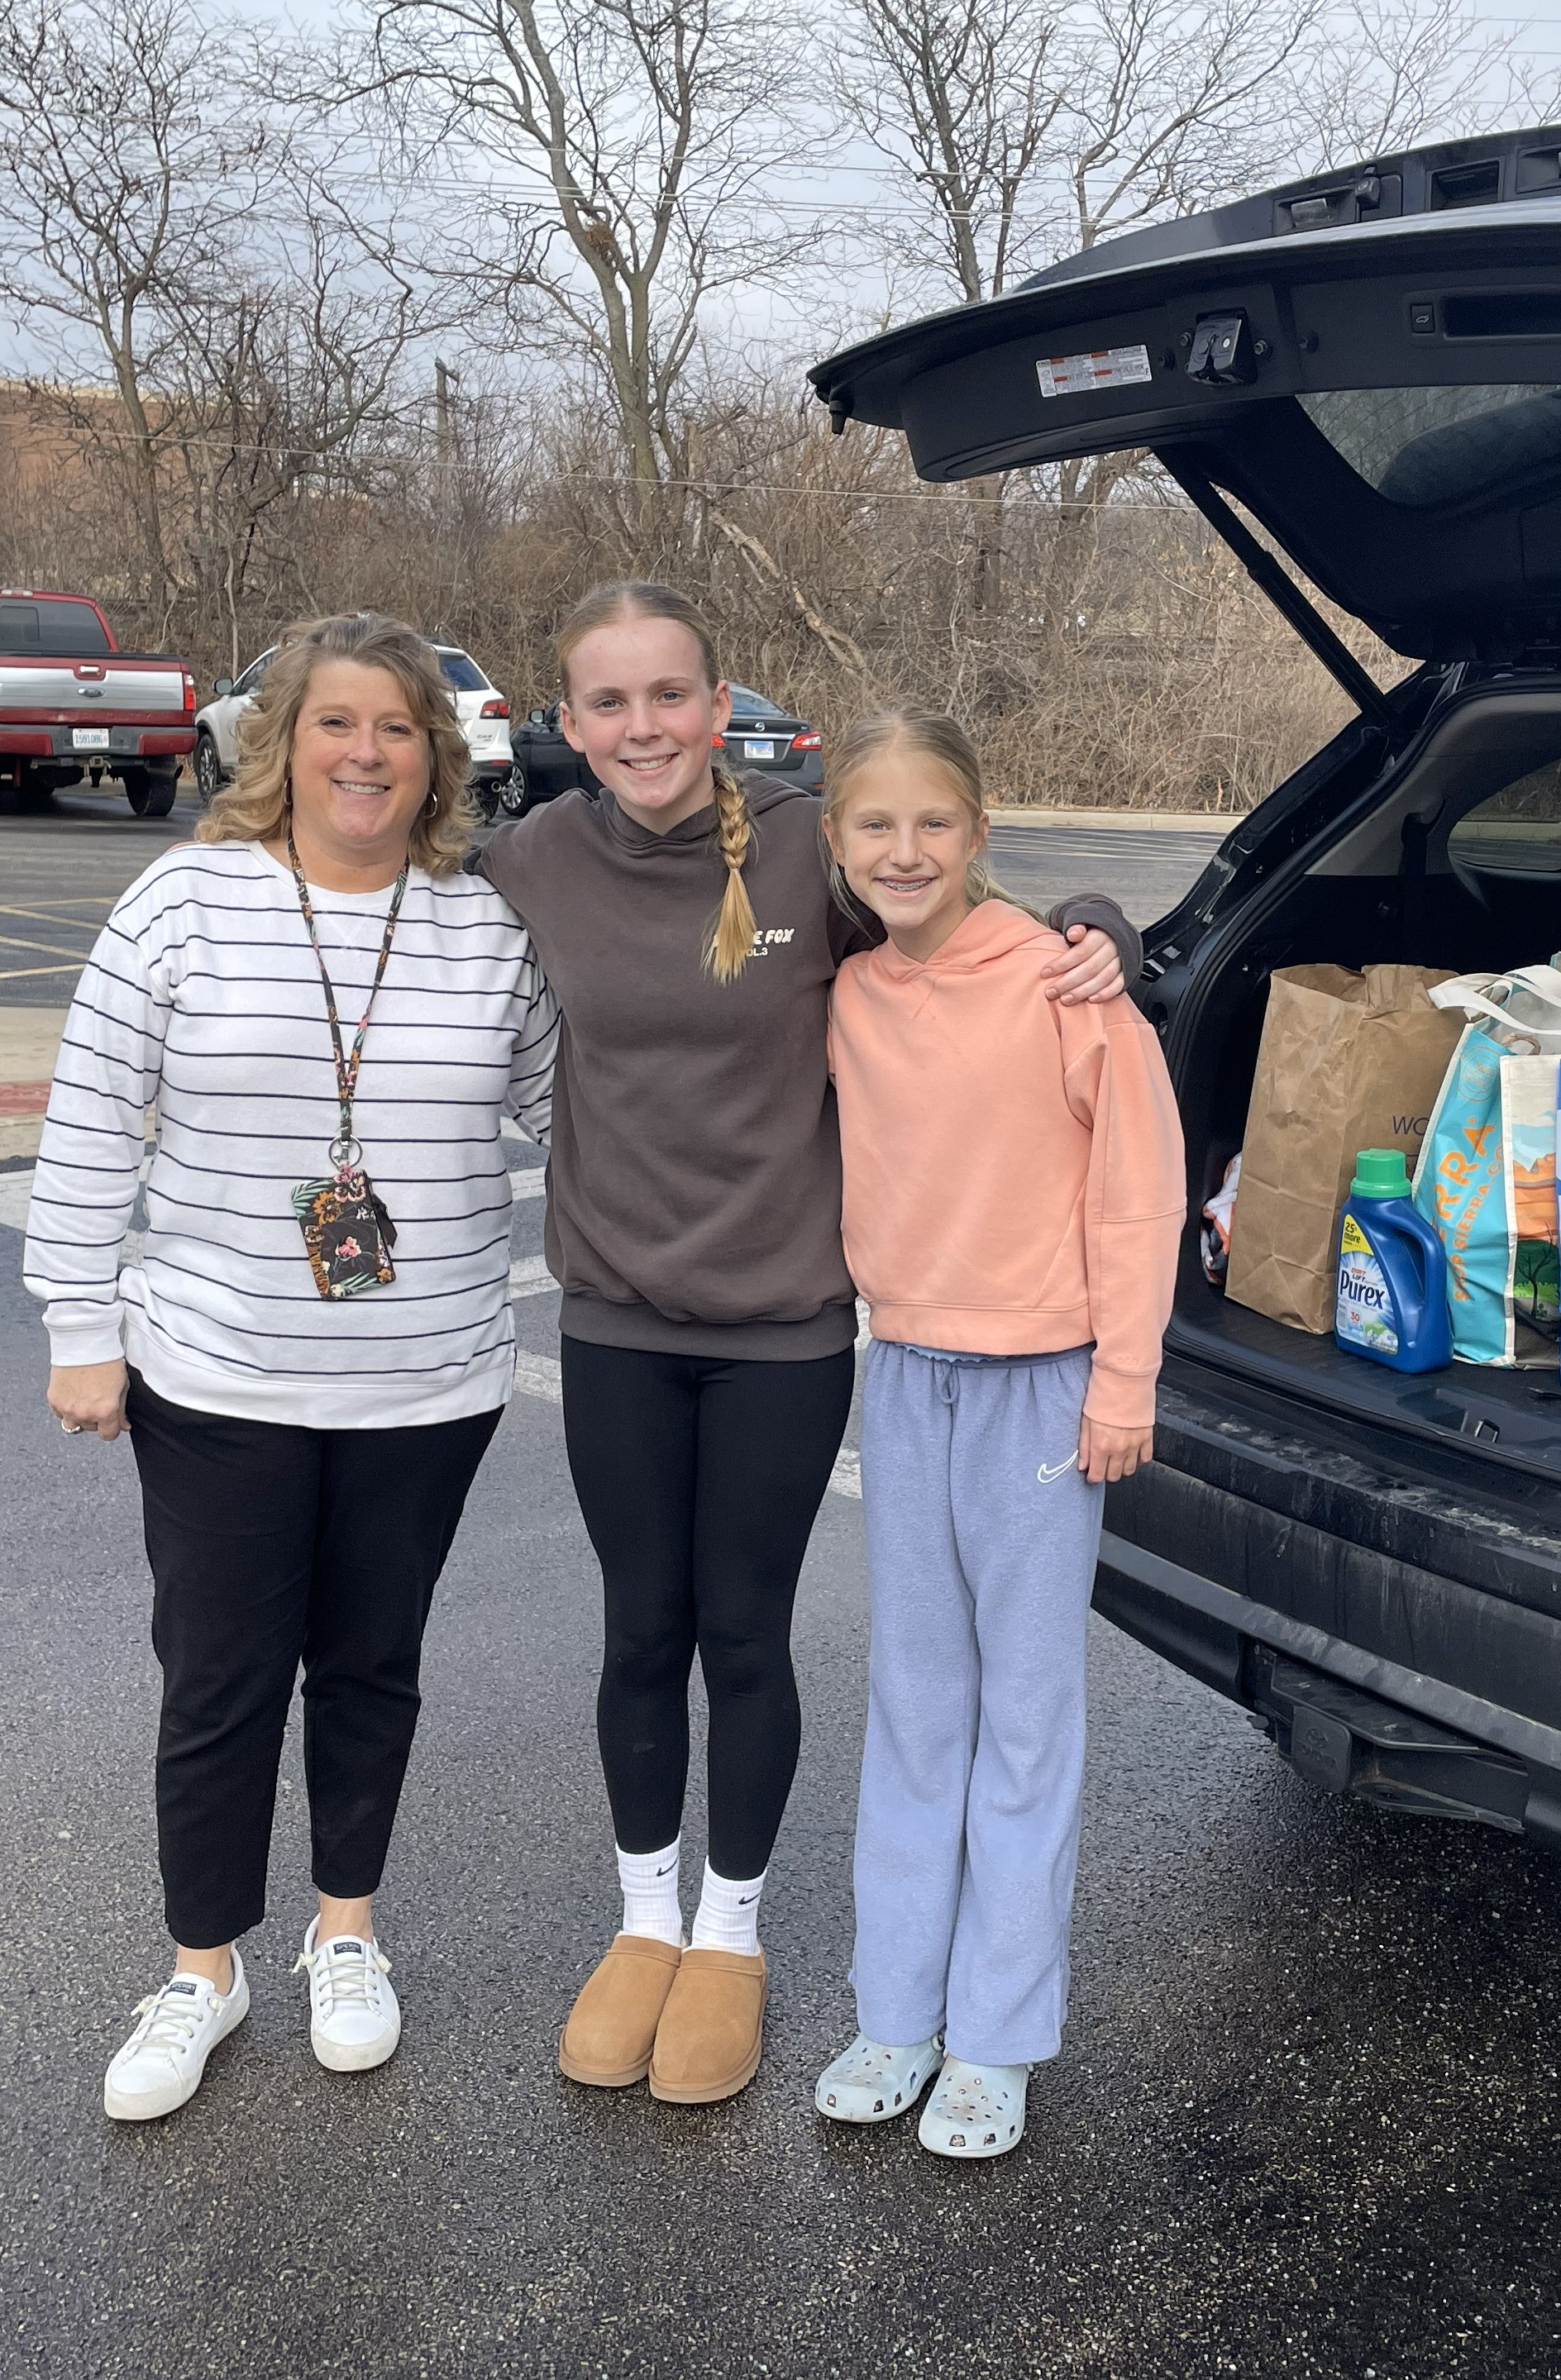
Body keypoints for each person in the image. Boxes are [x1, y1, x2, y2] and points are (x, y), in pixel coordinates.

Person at [471, 581, 1139, 2109]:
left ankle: (732, 1937)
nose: (643, 727)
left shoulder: (800, 842)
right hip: (617, 1320)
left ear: (720, 708)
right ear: (566, 724)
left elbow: (952, 908)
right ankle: (644, 1923)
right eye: (610, 703)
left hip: (788, 1328)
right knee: (640, 1628)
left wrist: (1099, 924)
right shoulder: (530, 860)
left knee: (745, 1636)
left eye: (671, 697)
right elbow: (378, 895)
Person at [23, 611, 557, 2124]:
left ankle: (346, 1935)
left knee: (372, 1666)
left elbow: (575, 1097)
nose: (367, 754)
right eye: (336, 724)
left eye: (396, 729)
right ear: (283, 745)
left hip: (431, 1377)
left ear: (433, 757)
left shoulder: (482, 923)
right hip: (218, 1373)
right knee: (218, 1679)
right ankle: (205, 1970)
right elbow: (86, 1118)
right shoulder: (182, 905)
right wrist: (80, 1324)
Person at [807, 708, 1183, 2161]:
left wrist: (1123, 1385)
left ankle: (999, 2035)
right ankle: (896, 2009)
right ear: (837, 845)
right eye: (875, 826)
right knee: (915, 1704)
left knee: (1024, 1723)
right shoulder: (845, 996)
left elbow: (1140, 1195)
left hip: (1043, 1384)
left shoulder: (1069, 990)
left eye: (935, 824)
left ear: (979, 832)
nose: (906, 851)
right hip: (904, 1377)